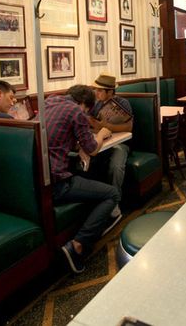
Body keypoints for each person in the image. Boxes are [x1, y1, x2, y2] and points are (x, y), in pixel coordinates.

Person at [45, 84, 120, 274]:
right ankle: (77, 245)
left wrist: (78, 145)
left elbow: (58, 136)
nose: (86, 114)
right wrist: (102, 133)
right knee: (112, 193)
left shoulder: (48, 102)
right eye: (87, 110)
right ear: (84, 105)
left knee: (86, 176)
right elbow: (93, 149)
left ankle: (91, 224)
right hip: (56, 184)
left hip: (34, 180)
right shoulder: (75, 111)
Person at [88, 73, 133, 220]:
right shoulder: (95, 104)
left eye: (100, 90)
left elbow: (129, 127)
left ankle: (115, 203)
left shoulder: (123, 103)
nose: (96, 93)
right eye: (96, 90)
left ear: (110, 91)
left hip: (120, 144)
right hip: (101, 143)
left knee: (116, 166)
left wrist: (105, 126)